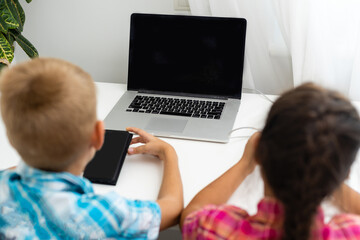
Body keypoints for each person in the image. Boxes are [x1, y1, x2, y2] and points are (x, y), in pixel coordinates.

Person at [0, 58, 183, 239]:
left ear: (10, 138)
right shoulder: (103, 215)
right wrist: (168, 153)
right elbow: (172, 208)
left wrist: (39, 157)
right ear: (98, 134)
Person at [180, 83, 360, 240]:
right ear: (346, 173)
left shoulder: (217, 229)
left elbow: (191, 216)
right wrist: (323, 167)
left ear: (260, 151)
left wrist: (245, 163)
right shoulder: (352, 233)